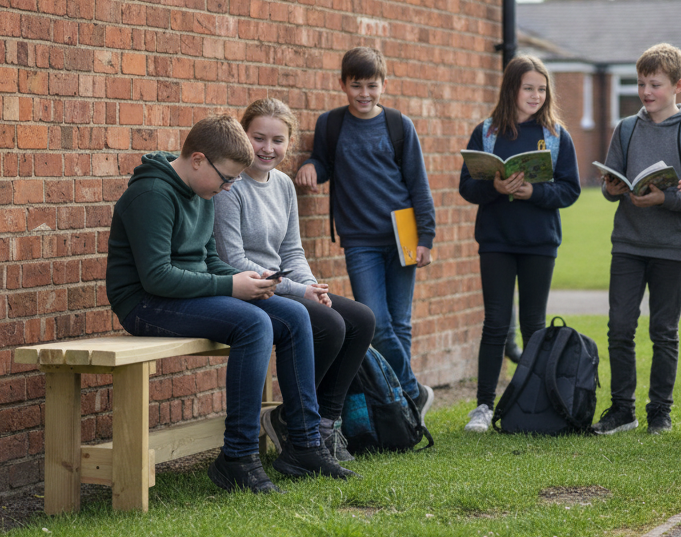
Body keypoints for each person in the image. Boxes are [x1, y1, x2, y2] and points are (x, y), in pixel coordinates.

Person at [106, 115, 353, 496]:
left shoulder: (203, 192)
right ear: (199, 160)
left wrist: (253, 283)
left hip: (188, 294)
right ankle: (237, 458)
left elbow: (209, 260)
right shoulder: (152, 194)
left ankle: (304, 446)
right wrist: (229, 286)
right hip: (146, 303)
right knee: (254, 324)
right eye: (227, 178)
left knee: (294, 315)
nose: (229, 186)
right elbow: (156, 277)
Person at [213, 98, 376, 463]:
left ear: (289, 142)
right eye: (259, 138)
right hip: (246, 289)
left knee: (361, 319)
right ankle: (297, 419)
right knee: (330, 325)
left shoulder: (284, 185)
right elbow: (233, 260)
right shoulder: (230, 187)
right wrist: (297, 289)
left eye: (278, 140)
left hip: (282, 285)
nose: (268, 149)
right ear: (243, 136)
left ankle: (320, 424)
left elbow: (292, 251)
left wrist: (313, 286)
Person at [295, 47, 437, 421]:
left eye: (371, 86)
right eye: (356, 85)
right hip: (359, 240)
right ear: (342, 84)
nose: (364, 94)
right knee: (377, 321)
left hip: (402, 236)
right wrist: (310, 166)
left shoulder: (398, 125)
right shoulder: (331, 124)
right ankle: (413, 391)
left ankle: (402, 409)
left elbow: (418, 185)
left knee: (399, 325)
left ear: (383, 85)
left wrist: (426, 237)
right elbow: (324, 163)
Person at [595, 43, 681, 436]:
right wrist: (612, 188)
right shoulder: (626, 129)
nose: (646, 92)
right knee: (619, 328)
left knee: (664, 332)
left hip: (672, 247)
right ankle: (622, 410)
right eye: (641, 83)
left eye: (656, 85)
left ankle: (659, 413)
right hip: (628, 243)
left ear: (678, 85)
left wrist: (665, 198)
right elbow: (610, 185)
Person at [458, 55, 581, 432]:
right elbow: (467, 186)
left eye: (541, 89)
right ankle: (482, 406)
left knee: (533, 324)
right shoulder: (487, 131)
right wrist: (494, 187)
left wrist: (534, 192)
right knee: (495, 323)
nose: (535, 95)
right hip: (495, 240)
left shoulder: (558, 135)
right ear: (511, 89)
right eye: (528, 88)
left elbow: (570, 189)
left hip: (539, 242)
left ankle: (536, 401)